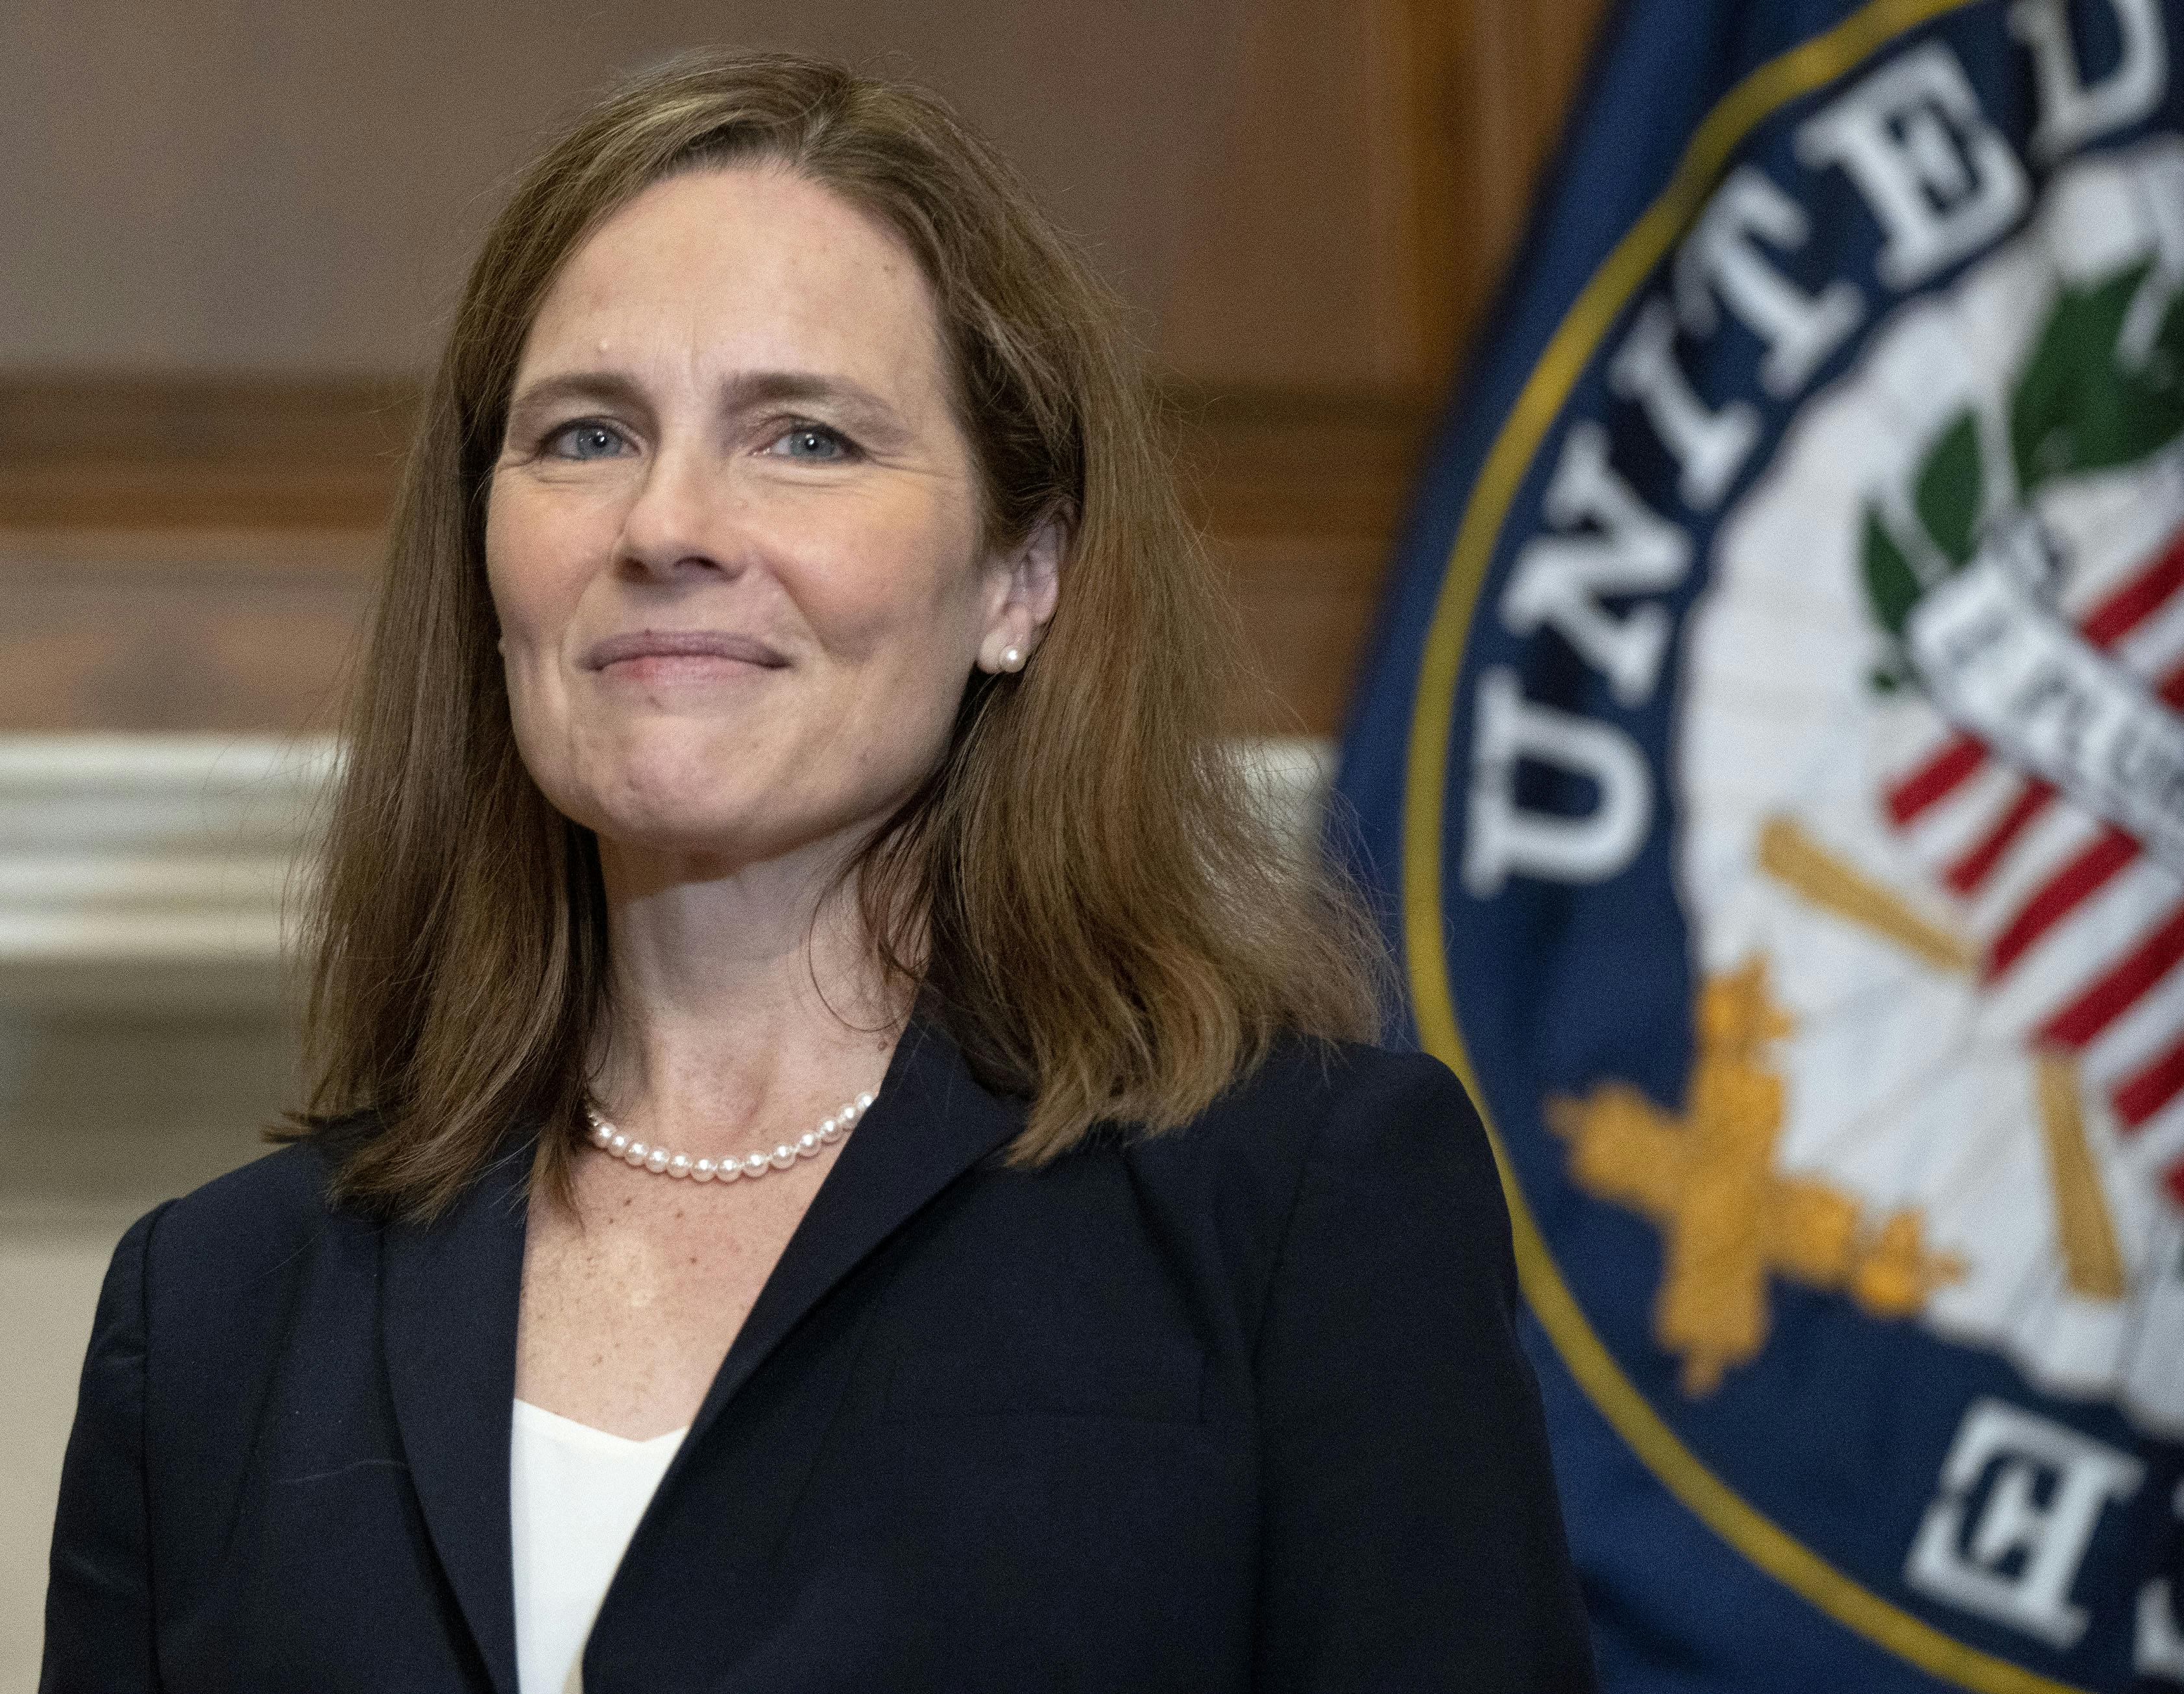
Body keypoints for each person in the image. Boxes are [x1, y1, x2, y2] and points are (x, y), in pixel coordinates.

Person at [39, 48, 1596, 1694]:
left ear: (1022, 574)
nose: (668, 524)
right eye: (583, 434)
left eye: (804, 438)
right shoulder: (213, 1306)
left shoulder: (1300, 1210)